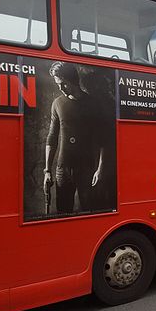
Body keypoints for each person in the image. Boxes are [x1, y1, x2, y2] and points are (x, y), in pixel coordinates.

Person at [43, 62, 108, 214]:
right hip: (62, 168)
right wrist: (47, 170)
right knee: (63, 212)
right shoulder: (57, 104)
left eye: (63, 84)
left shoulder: (93, 104)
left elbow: (102, 140)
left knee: (89, 210)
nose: (60, 88)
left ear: (72, 80)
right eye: (58, 84)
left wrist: (100, 169)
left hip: (87, 168)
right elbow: (52, 138)